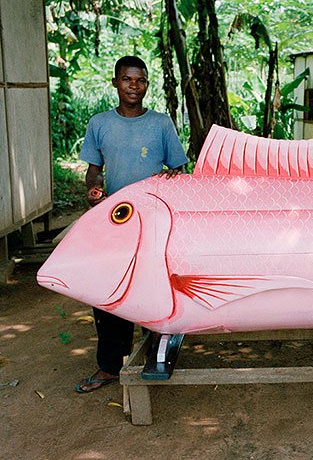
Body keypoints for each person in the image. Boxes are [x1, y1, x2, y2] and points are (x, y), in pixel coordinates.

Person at [75, 55, 188, 393]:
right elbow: (93, 170)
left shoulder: (161, 124)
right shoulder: (99, 123)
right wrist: (93, 190)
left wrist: (171, 177)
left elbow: (178, 170)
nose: (134, 86)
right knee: (109, 287)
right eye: (127, 80)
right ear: (115, 83)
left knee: (153, 284)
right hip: (116, 221)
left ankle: (157, 353)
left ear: (147, 84)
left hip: (153, 222)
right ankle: (110, 364)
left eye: (140, 80)